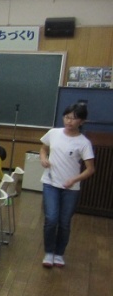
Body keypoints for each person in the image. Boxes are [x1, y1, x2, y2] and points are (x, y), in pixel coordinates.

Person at [39, 102, 95, 268]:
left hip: (70, 188)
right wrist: (43, 158)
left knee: (64, 222)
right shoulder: (54, 133)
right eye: (67, 117)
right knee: (51, 218)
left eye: (74, 118)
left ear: (81, 122)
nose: (69, 121)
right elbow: (43, 149)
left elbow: (90, 169)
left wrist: (74, 180)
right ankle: (49, 252)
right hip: (50, 183)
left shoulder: (83, 143)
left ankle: (59, 253)